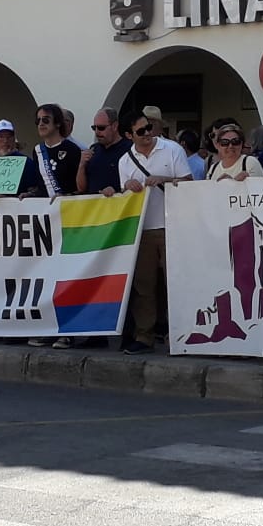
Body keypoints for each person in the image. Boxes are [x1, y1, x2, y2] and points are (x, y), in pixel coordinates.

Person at [118, 108, 192, 354]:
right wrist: (127, 186)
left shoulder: (172, 149)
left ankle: (182, 333)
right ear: (129, 135)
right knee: (144, 285)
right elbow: (124, 198)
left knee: (177, 283)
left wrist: (164, 180)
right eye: (141, 131)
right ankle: (144, 335)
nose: (147, 133)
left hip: (173, 224)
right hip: (144, 228)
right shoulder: (125, 161)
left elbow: (190, 184)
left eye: (148, 127)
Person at [77, 107, 130, 195]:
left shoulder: (129, 149)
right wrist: (81, 165)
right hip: (94, 206)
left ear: (114, 126)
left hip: (118, 206)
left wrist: (116, 189)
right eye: (94, 128)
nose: (97, 132)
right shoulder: (93, 149)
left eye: (101, 128)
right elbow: (81, 188)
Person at [32, 103, 82, 195]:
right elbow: (40, 185)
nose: (41, 124)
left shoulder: (72, 149)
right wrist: (31, 194)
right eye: (38, 121)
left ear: (58, 123)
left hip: (66, 205)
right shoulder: (37, 150)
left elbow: (80, 187)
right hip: (44, 206)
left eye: (46, 120)